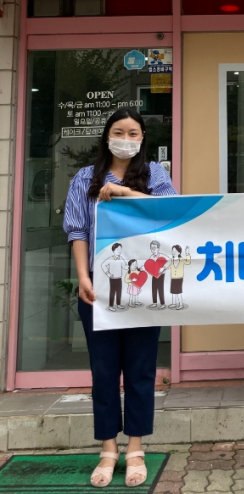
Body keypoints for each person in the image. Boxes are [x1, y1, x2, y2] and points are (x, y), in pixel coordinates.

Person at [63, 108, 176, 488]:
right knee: (104, 370)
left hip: (143, 284)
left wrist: (125, 192)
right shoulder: (85, 178)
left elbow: (168, 214)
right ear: (106, 136)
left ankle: (136, 448)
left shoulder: (155, 175)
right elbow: (77, 231)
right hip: (100, 285)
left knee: (141, 369)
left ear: (142, 138)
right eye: (118, 131)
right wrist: (83, 277)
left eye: (133, 133)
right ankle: (108, 449)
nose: (125, 139)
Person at [102, 243, 128, 311]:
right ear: (113, 250)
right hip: (112, 278)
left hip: (119, 278)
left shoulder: (121, 258)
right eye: (117, 249)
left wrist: (130, 266)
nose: (119, 251)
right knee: (112, 292)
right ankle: (111, 306)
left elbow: (124, 266)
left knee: (119, 291)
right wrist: (108, 274)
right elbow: (103, 265)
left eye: (120, 249)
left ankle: (118, 304)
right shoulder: (110, 259)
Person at [168, 245, 191, 310]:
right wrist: (164, 268)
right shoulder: (172, 260)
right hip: (173, 278)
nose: (173, 252)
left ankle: (181, 304)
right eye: (172, 251)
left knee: (178, 292)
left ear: (179, 252)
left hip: (179, 278)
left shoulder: (181, 260)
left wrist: (187, 253)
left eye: (175, 251)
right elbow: (170, 266)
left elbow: (188, 262)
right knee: (173, 292)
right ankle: (174, 303)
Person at [147, 240, 169, 310]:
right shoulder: (151, 257)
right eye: (151, 247)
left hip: (161, 275)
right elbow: (147, 264)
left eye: (154, 247)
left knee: (160, 288)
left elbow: (169, 262)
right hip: (154, 274)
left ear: (158, 248)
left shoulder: (162, 256)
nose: (153, 249)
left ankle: (162, 303)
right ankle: (154, 303)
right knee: (154, 288)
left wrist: (163, 268)